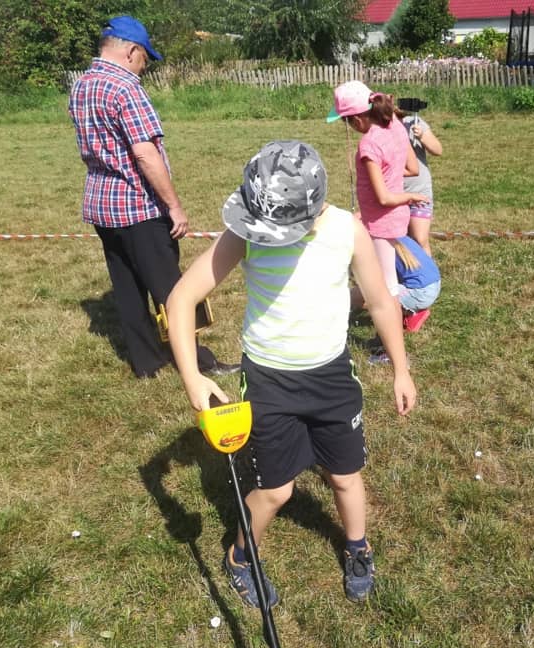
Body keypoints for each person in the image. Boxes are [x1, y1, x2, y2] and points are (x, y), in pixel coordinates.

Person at [166, 140, 417, 606]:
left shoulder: (347, 231)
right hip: (270, 382)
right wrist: (192, 377)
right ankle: (241, 556)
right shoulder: (248, 232)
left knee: (345, 475)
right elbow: (181, 298)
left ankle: (358, 548)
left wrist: (401, 369)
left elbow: (381, 302)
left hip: (332, 379)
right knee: (276, 490)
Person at [68, 15, 237, 380]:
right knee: (173, 289)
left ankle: (146, 363)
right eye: (145, 58)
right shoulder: (126, 89)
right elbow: (146, 155)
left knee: (127, 289)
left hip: (103, 206)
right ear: (131, 51)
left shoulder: (81, 85)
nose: (144, 66)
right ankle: (198, 362)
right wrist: (174, 206)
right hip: (139, 208)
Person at [327, 80, 427, 305]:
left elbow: (384, 197)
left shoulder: (369, 144)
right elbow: (413, 168)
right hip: (394, 218)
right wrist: (388, 173)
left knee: (386, 285)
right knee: (384, 277)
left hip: (381, 222)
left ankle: (392, 324)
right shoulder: (394, 125)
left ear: (357, 120)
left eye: (347, 123)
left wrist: (409, 196)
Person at [397, 105, 443, 256]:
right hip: (394, 194)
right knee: (401, 241)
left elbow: (438, 150)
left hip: (419, 190)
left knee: (420, 239)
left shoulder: (414, 123)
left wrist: (422, 136)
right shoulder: (379, 131)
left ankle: (427, 270)